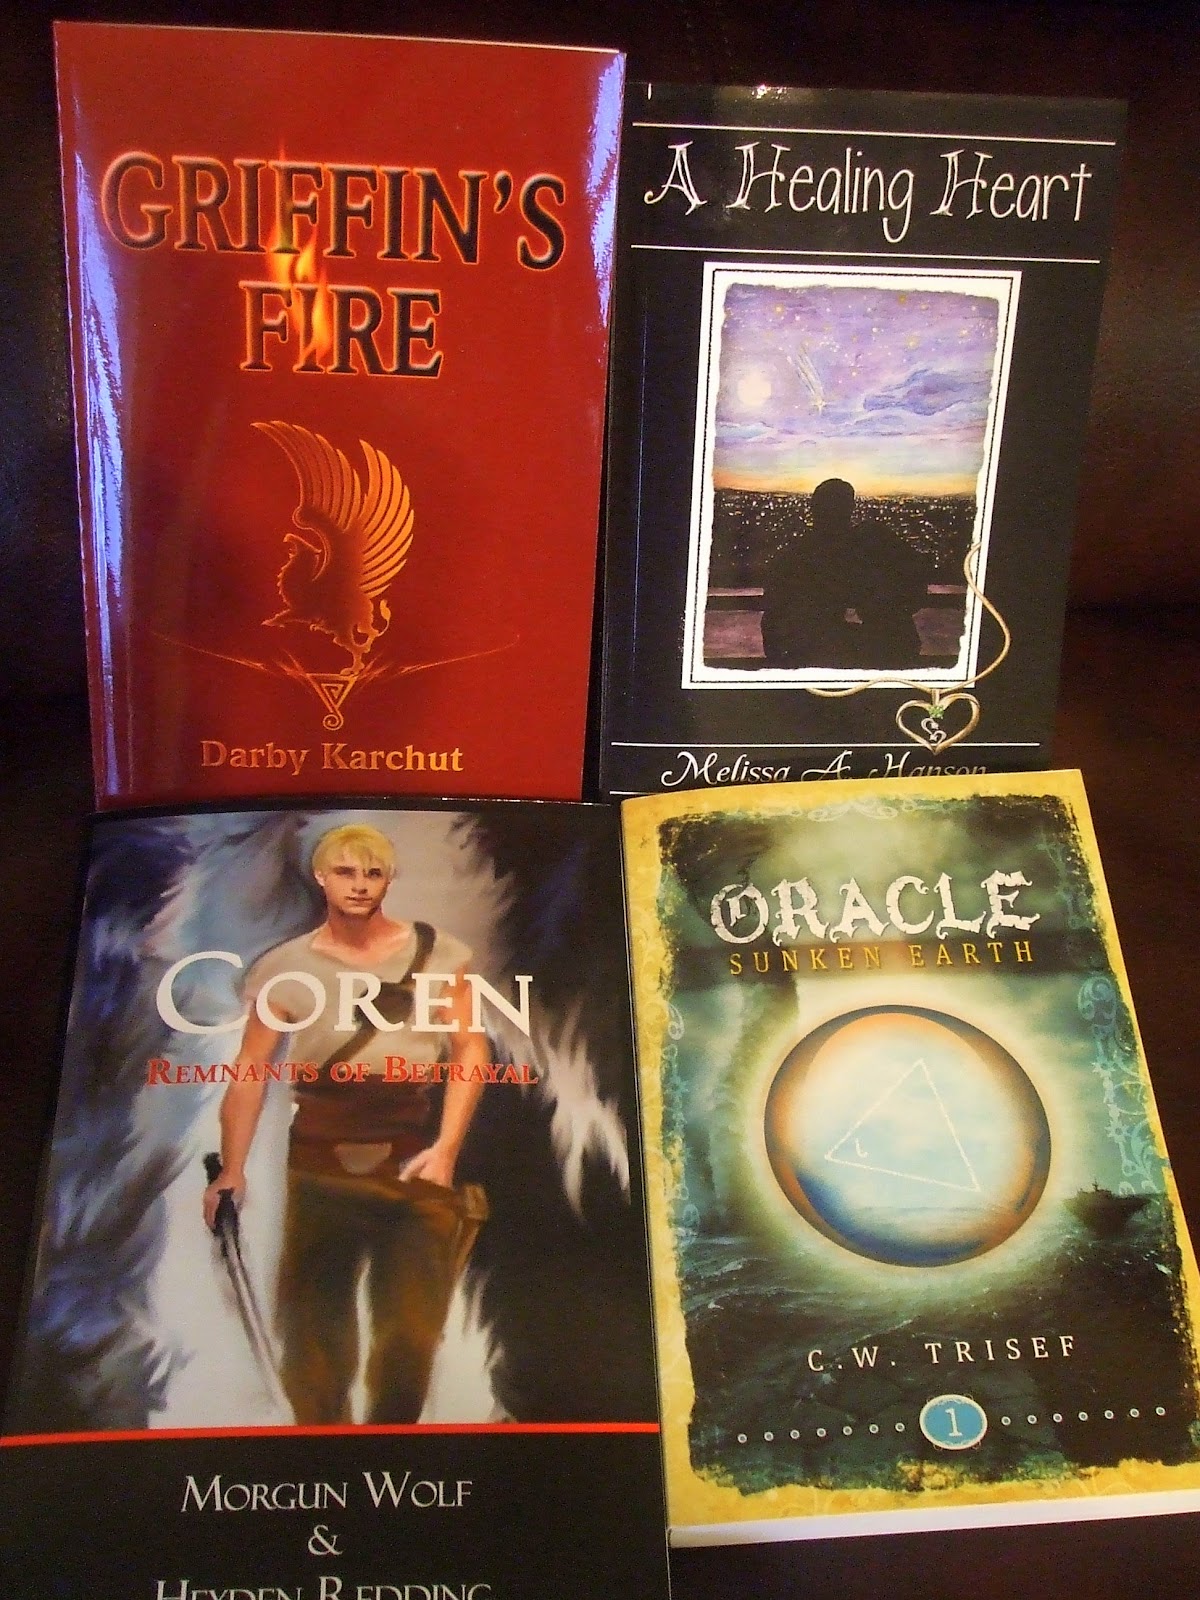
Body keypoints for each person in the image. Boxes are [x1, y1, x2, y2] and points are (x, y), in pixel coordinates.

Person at [202, 822, 488, 1424]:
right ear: (321, 878)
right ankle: (322, 1456)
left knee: (411, 1339)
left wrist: (447, 1148)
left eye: (373, 873)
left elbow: (470, 1047)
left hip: (412, 1155)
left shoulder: (438, 954)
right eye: (346, 872)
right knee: (313, 1342)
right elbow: (251, 1070)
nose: (360, 885)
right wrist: (231, 1169)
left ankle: (392, 1456)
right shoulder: (285, 966)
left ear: (389, 880)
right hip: (319, 1161)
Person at [760, 477, 928, 670]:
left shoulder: (798, 554)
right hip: (816, 651)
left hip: (799, 652)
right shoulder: (863, 545)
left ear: (814, 509)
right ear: (849, 510)